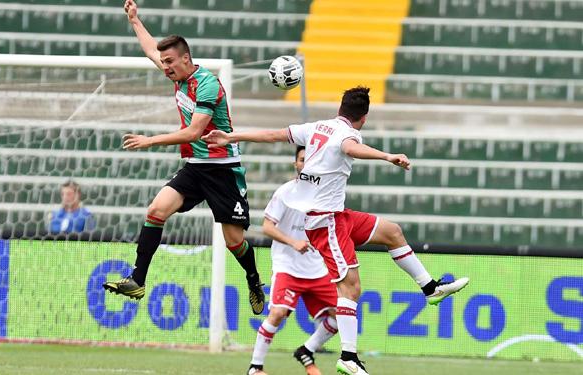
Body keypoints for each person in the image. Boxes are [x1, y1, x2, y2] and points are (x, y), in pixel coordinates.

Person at [203, 86, 470, 375]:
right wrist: (387, 156)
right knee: (350, 289)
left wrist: (230, 136)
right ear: (363, 118)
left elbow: (272, 135)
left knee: (392, 232)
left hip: (338, 215)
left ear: (340, 108)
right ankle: (348, 357)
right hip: (324, 221)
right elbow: (350, 148)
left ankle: (430, 289)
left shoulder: (316, 127)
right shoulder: (348, 134)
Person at [103, 0, 265, 315]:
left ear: (186, 58)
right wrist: (135, 20)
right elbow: (152, 49)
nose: (164, 67)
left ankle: (253, 277)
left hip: (223, 170)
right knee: (156, 210)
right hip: (195, 168)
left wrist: (150, 140)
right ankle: (137, 279)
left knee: (234, 241)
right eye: (163, 63)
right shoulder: (177, 75)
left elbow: (193, 133)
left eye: (170, 62)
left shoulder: (207, 85)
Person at [248, 146, 337, 375]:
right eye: (301, 160)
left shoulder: (325, 195)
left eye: (310, 160)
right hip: (287, 266)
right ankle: (255, 367)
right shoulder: (285, 193)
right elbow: (267, 226)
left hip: (317, 269)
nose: (306, 164)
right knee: (277, 313)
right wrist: (293, 242)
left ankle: (306, 350)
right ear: (295, 164)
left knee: (342, 315)